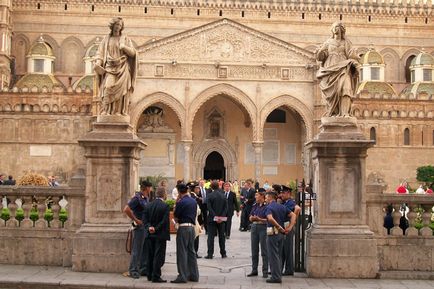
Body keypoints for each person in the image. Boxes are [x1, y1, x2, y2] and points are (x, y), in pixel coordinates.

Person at [94, 17, 137, 116]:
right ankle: (105, 110)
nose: (118, 27)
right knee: (108, 87)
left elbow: (133, 53)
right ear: (112, 25)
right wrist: (98, 64)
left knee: (121, 92)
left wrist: (124, 47)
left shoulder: (125, 39)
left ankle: (117, 112)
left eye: (120, 25)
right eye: (117, 25)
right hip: (109, 68)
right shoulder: (106, 39)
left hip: (122, 68)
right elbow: (100, 53)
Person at [316, 21, 360, 117]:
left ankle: (345, 114)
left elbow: (352, 55)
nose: (336, 29)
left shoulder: (346, 42)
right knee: (334, 92)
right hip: (330, 69)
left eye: (338, 27)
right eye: (334, 27)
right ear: (332, 30)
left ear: (342, 30)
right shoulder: (327, 43)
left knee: (346, 88)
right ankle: (334, 112)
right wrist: (320, 52)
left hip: (344, 68)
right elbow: (320, 57)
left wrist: (355, 63)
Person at [264, 191, 296, 284]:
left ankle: (276, 277)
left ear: (270, 197)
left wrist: (278, 226)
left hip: (273, 234)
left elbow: (270, 218)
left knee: (273, 255)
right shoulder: (282, 207)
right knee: (278, 255)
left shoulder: (269, 207)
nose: (266, 199)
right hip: (281, 235)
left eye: (266, 197)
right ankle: (278, 274)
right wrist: (289, 228)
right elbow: (293, 215)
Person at [123, 180, 152, 279]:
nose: (151, 189)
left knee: (144, 249)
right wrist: (135, 219)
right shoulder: (137, 198)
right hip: (139, 227)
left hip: (145, 227)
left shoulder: (146, 198)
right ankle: (133, 270)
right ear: (147, 188)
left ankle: (143, 269)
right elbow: (126, 209)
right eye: (150, 187)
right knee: (137, 249)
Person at [171, 183, 199, 283]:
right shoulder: (193, 201)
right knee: (191, 251)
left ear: (179, 191)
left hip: (183, 228)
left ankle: (182, 276)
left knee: (182, 252)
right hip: (192, 228)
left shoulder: (180, 202)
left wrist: (177, 203)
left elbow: (176, 215)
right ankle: (194, 275)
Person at [143, 187, 170, 283]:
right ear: (164, 194)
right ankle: (156, 276)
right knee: (158, 256)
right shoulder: (165, 206)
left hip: (150, 234)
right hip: (160, 235)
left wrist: (149, 227)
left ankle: (149, 275)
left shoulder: (148, 205)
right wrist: (156, 228)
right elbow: (164, 221)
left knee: (150, 255)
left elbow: (145, 219)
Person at [280, 185, 301, 276]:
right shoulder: (285, 202)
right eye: (281, 193)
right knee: (283, 249)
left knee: (288, 249)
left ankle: (289, 270)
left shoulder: (291, 202)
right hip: (284, 226)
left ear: (289, 193)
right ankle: (281, 268)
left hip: (288, 225)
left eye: (283, 193)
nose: (282, 194)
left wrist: (292, 222)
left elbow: (297, 209)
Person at [247, 188, 268, 278]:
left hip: (263, 227)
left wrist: (259, 219)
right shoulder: (255, 205)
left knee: (264, 250)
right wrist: (252, 218)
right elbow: (250, 216)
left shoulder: (266, 206)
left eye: (257, 195)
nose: (255, 197)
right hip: (254, 227)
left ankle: (265, 271)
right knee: (254, 250)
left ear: (262, 196)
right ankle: (254, 269)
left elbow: (268, 219)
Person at [205, 180, 228, 259]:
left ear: (211, 187)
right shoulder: (223, 195)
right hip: (221, 220)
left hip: (212, 219)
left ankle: (210, 254)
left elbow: (209, 208)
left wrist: (215, 217)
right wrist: (221, 217)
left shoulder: (210, 196)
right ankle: (223, 253)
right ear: (219, 186)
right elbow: (226, 208)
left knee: (211, 237)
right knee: (222, 237)